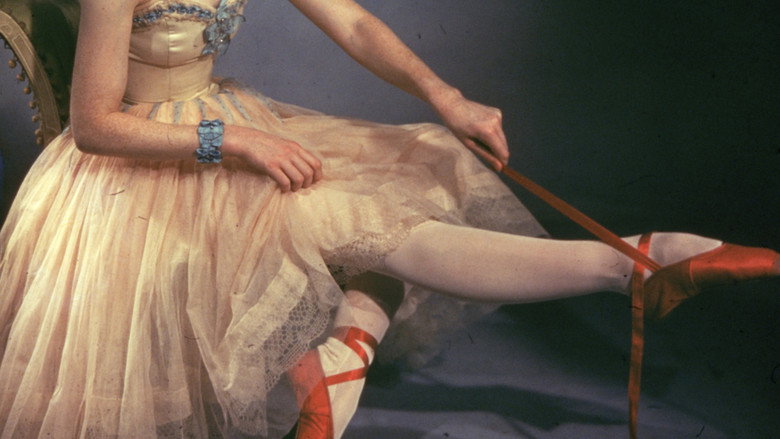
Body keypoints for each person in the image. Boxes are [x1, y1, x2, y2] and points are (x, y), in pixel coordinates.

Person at [0, 0, 777, 438]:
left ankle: (345, 358)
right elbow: (95, 124)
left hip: (228, 119)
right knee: (339, 218)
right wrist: (231, 142)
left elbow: (354, 25)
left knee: (415, 166)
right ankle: (632, 262)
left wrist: (446, 96)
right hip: (140, 165)